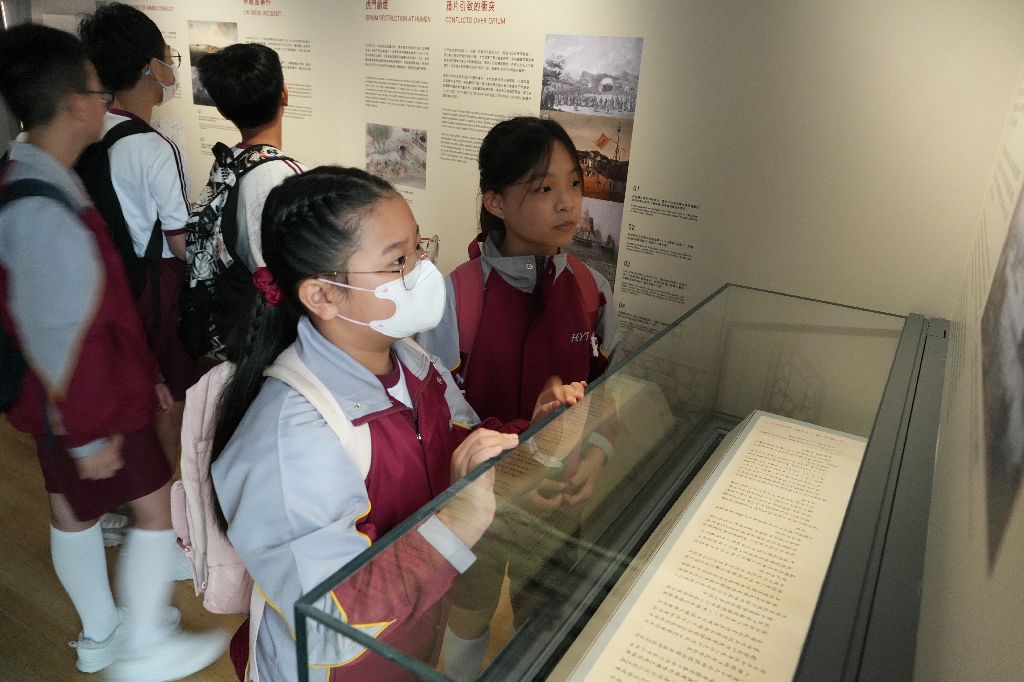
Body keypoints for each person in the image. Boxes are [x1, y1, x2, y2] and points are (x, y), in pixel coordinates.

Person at [209, 166, 585, 681]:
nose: (422, 272)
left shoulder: (413, 362)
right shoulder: (292, 434)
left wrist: (535, 434)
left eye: (418, 250)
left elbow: (461, 444)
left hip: (412, 642)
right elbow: (327, 620)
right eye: (397, 262)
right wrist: (454, 525)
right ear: (322, 295)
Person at [0, 24, 226, 680]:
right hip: (88, 400)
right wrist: (88, 433)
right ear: (73, 103)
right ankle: (144, 645)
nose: (107, 103)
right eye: (99, 93)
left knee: (71, 510)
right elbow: (56, 327)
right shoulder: (41, 205)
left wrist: (142, 372)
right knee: (153, 507)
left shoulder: (31, 175)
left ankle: (101, 634)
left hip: (75, 396)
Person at [415, 116, 622, 680]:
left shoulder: (591, 290)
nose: (568, 202)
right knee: (470, 609)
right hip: (482, 501)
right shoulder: (456, 296)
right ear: (496, 202)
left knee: (545, 613)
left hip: (559, 495)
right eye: (544, 187)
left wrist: (596, 452)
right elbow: (438, 413)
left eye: (574, 183)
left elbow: (609, 385)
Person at [78, 3, 198, 465]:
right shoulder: (153, 147)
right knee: (170, 397)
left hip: (108, 284)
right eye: (169, 57)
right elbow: (179, 243)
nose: (171, 68)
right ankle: (158, 490)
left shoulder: (90, 129)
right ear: (151, 66)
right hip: (154, 290)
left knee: (128, 386)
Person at [195, 42, 306, 273]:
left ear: (222, 111)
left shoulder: (227, 161)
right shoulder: (289, 177)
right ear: (285, 94)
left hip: (233, 290)